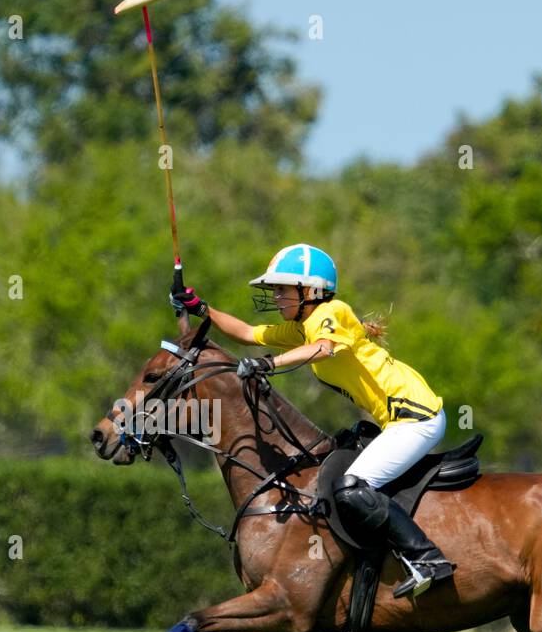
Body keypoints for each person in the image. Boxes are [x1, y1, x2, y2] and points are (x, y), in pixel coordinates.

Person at [171, 243, 454, 598]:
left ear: (311, 291)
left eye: (281, 289)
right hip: (397, 421)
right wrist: (200, 308)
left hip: (416, 417)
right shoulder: (303, 326)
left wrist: (269, 364)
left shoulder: (330, 312)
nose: (275, 296)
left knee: (353, 486)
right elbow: (247, 333)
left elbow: (323, 348)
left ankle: (426, 559)